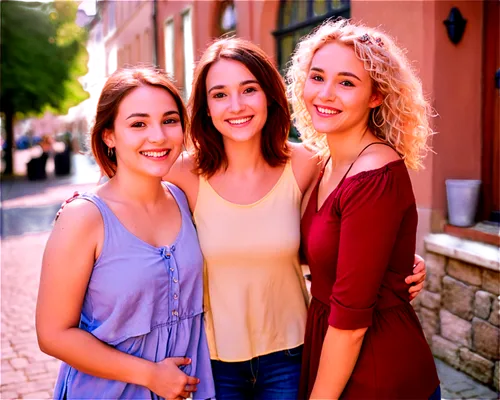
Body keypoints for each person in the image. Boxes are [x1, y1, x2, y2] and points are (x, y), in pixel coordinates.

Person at [166, 37, 427, 399]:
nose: (236, 105)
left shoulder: (309, 163)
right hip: (212, 361)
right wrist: (82, 208)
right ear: (205, 107)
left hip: (290, 356)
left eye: (249, 89)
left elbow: (358, 223)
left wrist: (395, 261)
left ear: (270, 96)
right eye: (219, 94)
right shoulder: (179, 174)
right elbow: (125, 200)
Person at [35, 67, 215, 400]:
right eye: (138, 124)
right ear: (108, 135)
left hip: (188, 390)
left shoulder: (183, 196)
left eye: (170, 120)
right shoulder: (84, 217)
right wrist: (150, 375)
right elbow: (53, 335)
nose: (158, 136)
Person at [286, 20, 440, 399]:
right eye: (317, 77)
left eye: (347, 83)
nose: (325, 94)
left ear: (376, 96)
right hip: (335, 356)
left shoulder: (374, 175)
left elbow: (352, 322)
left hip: (376, 371)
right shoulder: (327, 162)